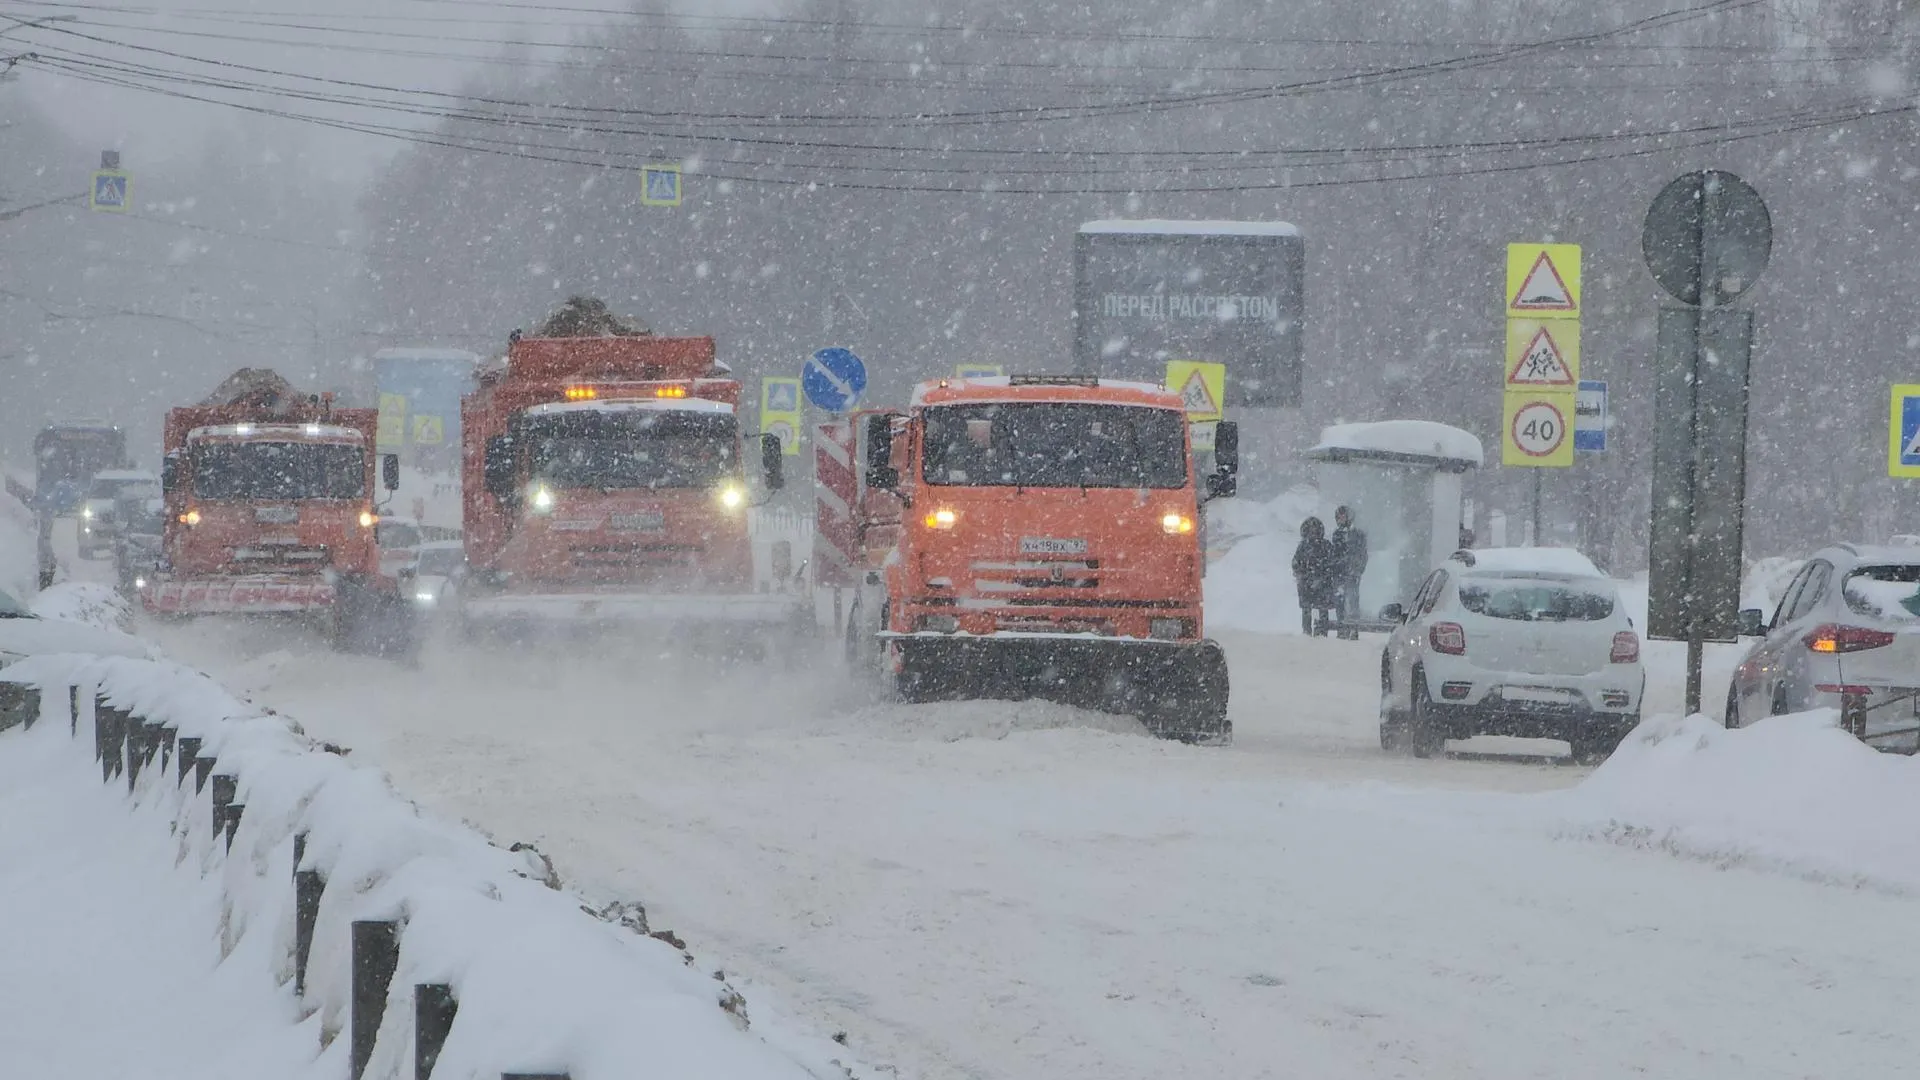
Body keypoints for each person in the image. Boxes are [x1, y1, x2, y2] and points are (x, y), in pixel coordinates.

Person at [1292, 516, 1337, 636]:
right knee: (1306, 609)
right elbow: (1296, 562)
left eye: (1315, 529)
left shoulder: (1326, 545)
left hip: (1323, 583)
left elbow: (1332, 563)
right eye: (1310, 529)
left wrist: (1322, 577)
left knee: (1323, 609)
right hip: (1306, 583)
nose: (1313, 532)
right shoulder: (1303, 546)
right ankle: (1306, 631)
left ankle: (1322, 631)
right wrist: (1301, 575)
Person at [1330, 505, 1369, 640]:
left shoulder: (1358, 534)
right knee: (1339, 601)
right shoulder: (1337, 535)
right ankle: (1342, 628)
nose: (1340, 520)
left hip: (1352, 573)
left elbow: (1362, 554)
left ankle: (1353, 628)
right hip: (1339, 573)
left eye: (1342, 517)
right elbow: (1334, 553)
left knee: (1352, 600)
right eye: (1338, 517)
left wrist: (1358, 568)